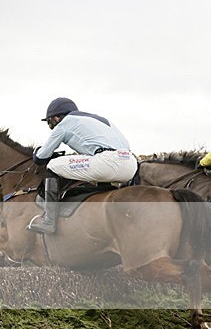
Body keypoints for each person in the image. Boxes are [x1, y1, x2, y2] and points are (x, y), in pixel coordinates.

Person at [30, 97, 138, 235]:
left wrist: (36, 152)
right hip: (130, 164)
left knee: (52, 165)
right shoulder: (97, 119)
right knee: (93, 163)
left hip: (107, 162)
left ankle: (49, 221)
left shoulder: (64, 123)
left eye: (50, 123)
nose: (51, 127)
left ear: (56, 118)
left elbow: (40, 157)